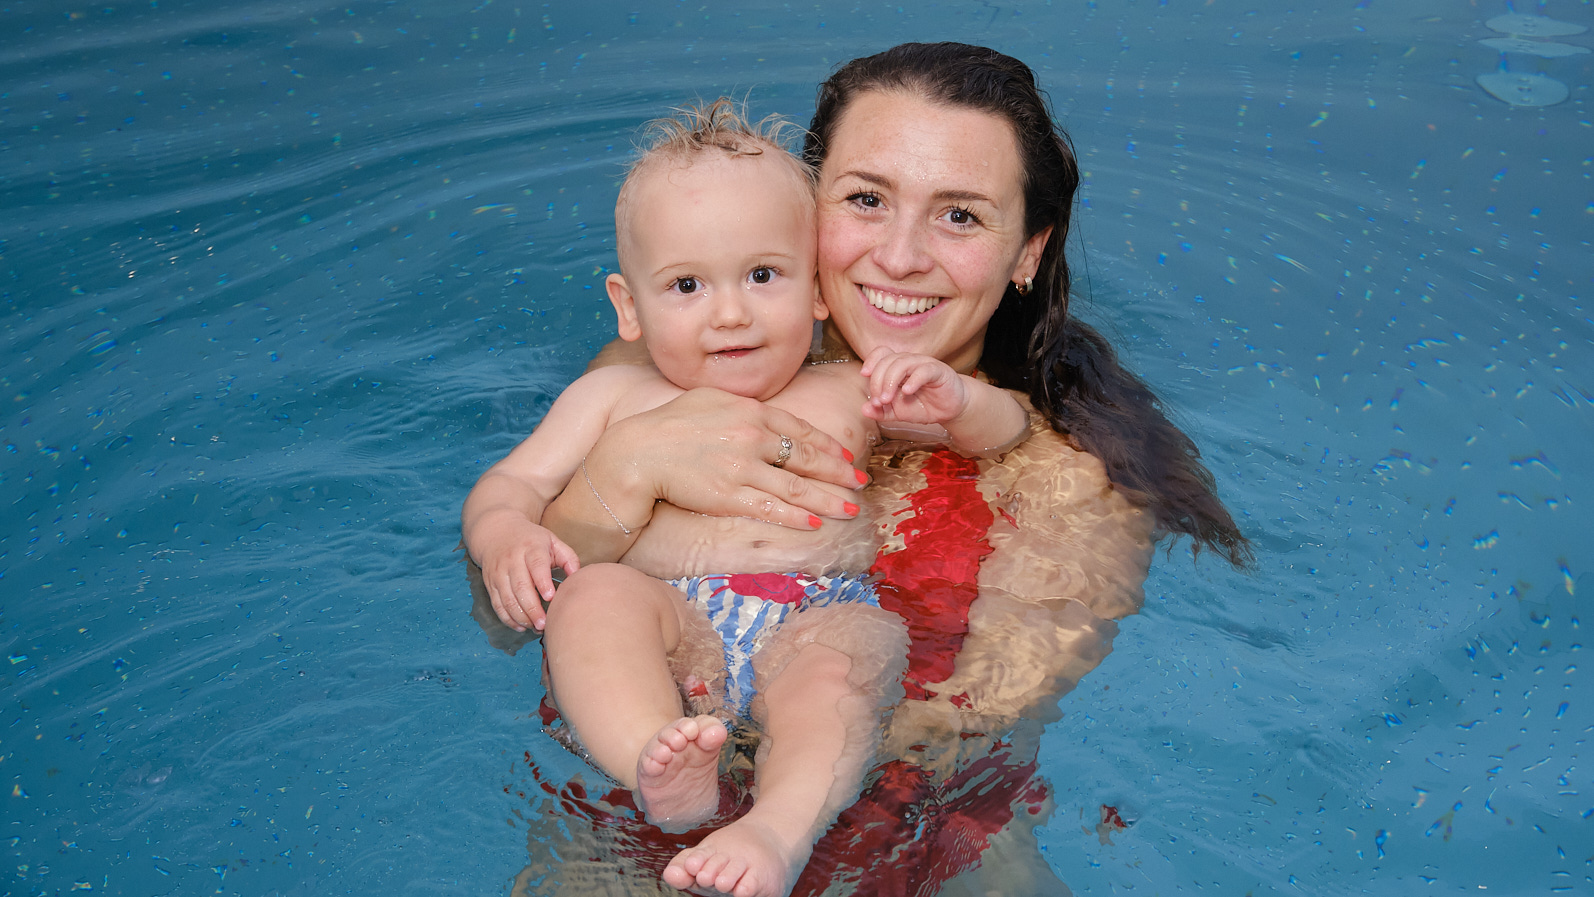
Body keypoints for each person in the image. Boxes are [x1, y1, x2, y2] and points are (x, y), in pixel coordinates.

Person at [495, 43, 1253, 897]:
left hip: (905, 858)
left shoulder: (1071, 478)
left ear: (1028, 251)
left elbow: (955, 739)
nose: (898, 257)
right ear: (804, 204)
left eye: (959, 216)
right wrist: (623, 471)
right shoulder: (669, 373)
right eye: (865, 200)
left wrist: (736, 746)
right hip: (630, 827)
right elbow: (512, 615)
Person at [461, 99, 1033, 897]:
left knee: (840, 673)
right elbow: (511, 484)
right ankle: (658, 764)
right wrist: (503, 537)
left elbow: (1003, 431)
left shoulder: (846, 390)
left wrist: (957, 398)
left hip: (815, 610)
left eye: (764, 275)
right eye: (687, 284)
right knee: (594, 598)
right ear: (629, 307)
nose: (730, 312)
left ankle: (776, 829)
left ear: (818, 291)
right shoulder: (612, 395)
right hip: (673, 618)